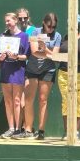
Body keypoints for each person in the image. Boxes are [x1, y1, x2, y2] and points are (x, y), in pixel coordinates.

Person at [21, 12, 61, 140]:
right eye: (49, 26)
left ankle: (41, 130)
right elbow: (34, 52)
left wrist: (44, 48)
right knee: (28, 99)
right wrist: (48, 54)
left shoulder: (58, 36)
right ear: (44, 23)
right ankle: (28, 129)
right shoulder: (35, 32)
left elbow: (55, 56)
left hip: (47, 70)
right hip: (32, 68)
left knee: (43, 100)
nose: (51, 29)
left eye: (53, 27)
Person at [0, 13, 30, 139]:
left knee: (17, 101)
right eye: (5, 21)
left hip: (18, 70)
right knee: (7, 101)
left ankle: (17, 129)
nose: (7, 23)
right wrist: (0, 57)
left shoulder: (24, 36)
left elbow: (27, 56)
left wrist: (16, 56)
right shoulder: (3, 35)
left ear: (15, 20)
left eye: (9, 21)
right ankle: (11, 128)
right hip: (6, 70)